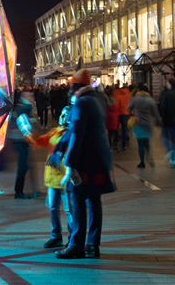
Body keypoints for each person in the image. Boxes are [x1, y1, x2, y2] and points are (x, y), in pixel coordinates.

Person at [55, 69, 116, 260]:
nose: (70, 89)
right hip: (99, 160)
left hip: (85, 162)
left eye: (72, 86)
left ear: (77, 86)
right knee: (94, 202)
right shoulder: (97, 100)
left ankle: (76, 245)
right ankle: (92, 244)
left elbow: (75, 134)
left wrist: (69, 163)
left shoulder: (81, 103)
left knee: (78, 200)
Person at [31, 106, 72, 248]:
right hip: (53, 176)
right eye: (61, 114)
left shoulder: (73, 133)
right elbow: (39, 142)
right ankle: (56, 236)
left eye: (65, 115)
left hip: (67, 177)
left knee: (69, 211)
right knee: (53, 208)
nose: (62, 117)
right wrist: (27, 131)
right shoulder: (55, 131)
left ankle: (73, 239)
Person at [7, 90, 38, 199]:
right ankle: (19, 192)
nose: (32, 97)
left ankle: (32, 190)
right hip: (19, 140)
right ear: (24, 96)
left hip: (23, 140)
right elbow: (20, 124)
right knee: (23, 166)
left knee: (27, 165)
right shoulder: (22, 107)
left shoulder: (27, 107)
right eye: (29, 95)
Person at [128, 84, 161, 168]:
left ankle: (142, 162)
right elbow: (155, 113)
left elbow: (128, 108)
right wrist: (159, 121)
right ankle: (149, 157)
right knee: (146, 143)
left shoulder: (135, 99)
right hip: (148, 124)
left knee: (140, 144)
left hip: (138, 124)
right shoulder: (150, 100)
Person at [112, 83, 132, 151]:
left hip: (117, 113)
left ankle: (116, 141)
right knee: (124, 129)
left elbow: (114, 103)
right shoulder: (128, 93)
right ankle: (124, 144)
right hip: (125, 113)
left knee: (116, 128)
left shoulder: (115, 93)